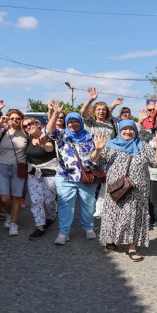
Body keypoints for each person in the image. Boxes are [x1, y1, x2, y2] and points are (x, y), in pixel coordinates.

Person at [91, 120, 157, 261]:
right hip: (116, 189)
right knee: (113, 215)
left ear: (135, 131)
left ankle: (132, 247)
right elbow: (95, 160)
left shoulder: (143, 146)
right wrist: (97, 149)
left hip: (138, 190)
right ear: (119, 131)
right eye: (124, 129)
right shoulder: (110, 145)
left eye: (131, 129)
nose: (128, 131)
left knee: (134, 217)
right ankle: (112, 239)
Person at [45, 101, 98, 245]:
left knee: (88, 204)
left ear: (80, 122)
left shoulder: (90, 136)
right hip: (65, 176)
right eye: (70, 122)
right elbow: (49, 131)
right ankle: (64, 232)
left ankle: (88, 228)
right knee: (65, 205)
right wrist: (55, 115)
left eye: (76, 121)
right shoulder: (62, 135)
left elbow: (97, 155)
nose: (73, 124)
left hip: (87, 176)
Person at [0, 109, 28, 236]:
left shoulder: (26, 133)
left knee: (16, 197)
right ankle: (10, 214)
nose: (14, 121)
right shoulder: (3, 132)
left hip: (19, 167)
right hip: (2, 166)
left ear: (21, 120)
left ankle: (14, 224)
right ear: (8, 119)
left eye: (17, 118)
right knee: (4, 198)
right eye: (12, 118)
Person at [80, 87, 119, 218]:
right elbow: (83, 111)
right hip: (93, 156)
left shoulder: (111, 124)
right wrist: (91, 99)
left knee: (106, 185)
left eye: (103, 109)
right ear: (95, 111)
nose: (101, 111)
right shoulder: (90, 122)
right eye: (99, 109)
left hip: (109, 158)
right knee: (91, 184)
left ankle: (101, 209)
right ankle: (89, 210)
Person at [23, 117, 58, 240]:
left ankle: (51, 216)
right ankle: (40, 226)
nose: (28, 127)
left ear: (37, 124)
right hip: (33, 174)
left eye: (30, 124)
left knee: (49, 201)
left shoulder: (48, 137)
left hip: (49, 173)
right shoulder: (28, 139)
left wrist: (43, 145)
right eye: (25, 126)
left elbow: (50, 148)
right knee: (36, 200)